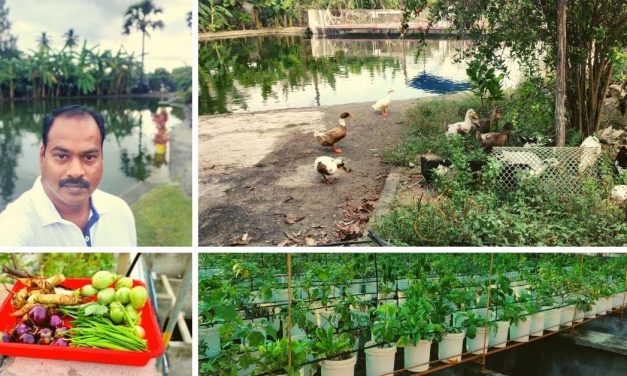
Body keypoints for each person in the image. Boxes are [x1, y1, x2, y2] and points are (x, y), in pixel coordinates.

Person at [0, 105, 137, 246]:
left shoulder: (120, 211)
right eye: (61, 156)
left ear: (102, 157)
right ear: (42, 156)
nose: (76, 172)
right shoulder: (13, 227)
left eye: (89, 157)